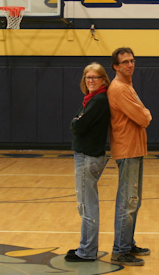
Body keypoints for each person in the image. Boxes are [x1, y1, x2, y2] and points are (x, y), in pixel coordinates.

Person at [107, 47, 152, 266]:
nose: (130, 65)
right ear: (116, 66)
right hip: (127, 150)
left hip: (135, 149)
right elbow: (144, 118)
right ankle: (120, 250)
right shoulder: (119, 89)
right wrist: (146, 114)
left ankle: (128, 243)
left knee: (134, 201)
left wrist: (144, 113)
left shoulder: (127, 86)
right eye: (125, 62)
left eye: (132, 61)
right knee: (127, 202)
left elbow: (141, 115)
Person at [65, 62, 111, 262]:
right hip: (88, 156)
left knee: (87, 206)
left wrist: (76, 120)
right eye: (88, 77)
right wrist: (77, 120)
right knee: (86, 204)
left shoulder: (99, 100)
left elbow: (77, 125)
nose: (91, 80)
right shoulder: (91, 98)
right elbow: (78, 121)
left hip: (88, 156)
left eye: (95, 77)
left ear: (103, 80)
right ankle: (85, 247)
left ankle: (87, 251)